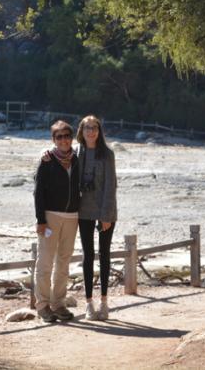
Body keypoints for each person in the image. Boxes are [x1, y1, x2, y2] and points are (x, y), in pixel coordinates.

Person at [33, 120, 80, 322]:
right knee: (45, 262)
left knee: (64, 262)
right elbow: (38, 192)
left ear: (72, 137)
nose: (64, 140)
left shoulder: (78, 158)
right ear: (53, 139)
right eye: (59, 136)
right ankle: (42, 305)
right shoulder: (47, 160)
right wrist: (40, 220)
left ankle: (58, 303)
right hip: (51, 216)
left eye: (67, 135)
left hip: (72, 217)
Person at [76, 115, 117, 320]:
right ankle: (89, 303)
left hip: (104, 211)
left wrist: (106, 215)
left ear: (99, 131)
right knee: (87, 256)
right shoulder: (77, 153)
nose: (91, 131)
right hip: (83, 211)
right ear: (81, 131)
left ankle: (104, 302)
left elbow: (111, 186)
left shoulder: (107, 154)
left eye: (94, 128)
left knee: (105, 255)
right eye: (87, 128)